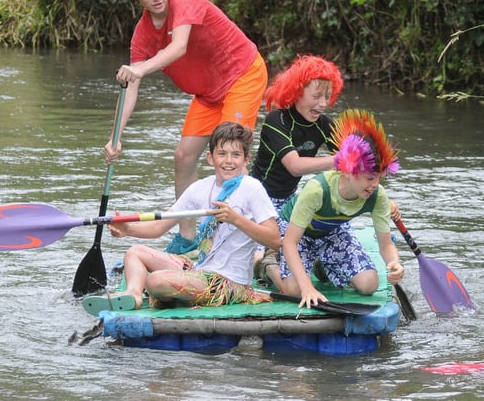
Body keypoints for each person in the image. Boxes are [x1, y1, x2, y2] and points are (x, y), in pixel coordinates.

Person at [104, 0, 268, 239]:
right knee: (183, 158)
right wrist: (115, 135)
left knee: (229, 152)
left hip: (243, 75)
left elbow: (178, 47)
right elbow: (131, 86)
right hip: (208, 94)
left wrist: (140, 68)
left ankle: (240, 236)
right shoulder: (142, 35)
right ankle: (188, 238)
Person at [84, 122, 279, 312]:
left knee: (155, 280)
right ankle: (132, 295)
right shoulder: (200, 187)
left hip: (228, 282)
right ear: (211, 158)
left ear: (246, 160)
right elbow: (159, 227)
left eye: (236, 155)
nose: (229, 161)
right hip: (199, 269)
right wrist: (128, 229)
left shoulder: (252, 189)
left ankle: (167, 292)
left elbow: (274, 239)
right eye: (222, 154)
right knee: (134, 253)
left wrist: (236, 219)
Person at [249, 55, 399, 288]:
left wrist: (380, 196)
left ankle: (323, 262)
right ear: (296, 91)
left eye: (327, 97)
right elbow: (295, 165)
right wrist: (339, 159)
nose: (322, 104)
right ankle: (267, 264)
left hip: (289, 198)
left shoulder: (323, 124)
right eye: (316, 96)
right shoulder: (275, 120)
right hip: (258, 199)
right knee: (259, 255)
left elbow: (362, 163)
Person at [278, 109, 405, 308]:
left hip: (332, 231)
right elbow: (290, 243)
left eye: (379, 176)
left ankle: (323, 266)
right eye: (369, 177)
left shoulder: (377, 195)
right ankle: (267, 264)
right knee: (295, 290)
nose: (375, 184)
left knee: (368, 285)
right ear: (346, 171)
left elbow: (386, 244)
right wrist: (308, 289)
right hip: (297, 233)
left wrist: (394, 263)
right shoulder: (318, 189)